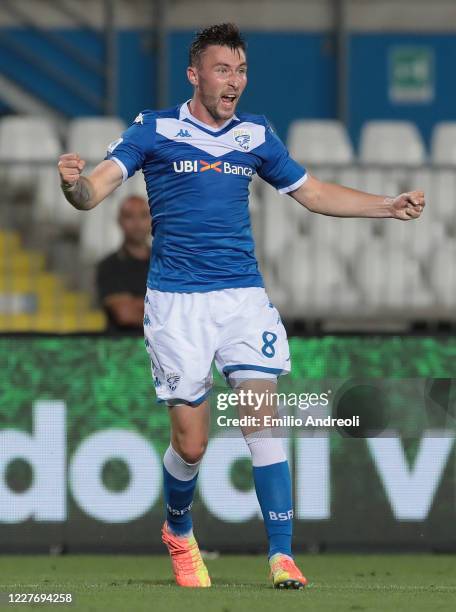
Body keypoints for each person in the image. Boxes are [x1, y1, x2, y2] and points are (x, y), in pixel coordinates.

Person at [57, 23, 425, 590]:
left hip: (242, 298)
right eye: (223, 70)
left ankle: (282, 554)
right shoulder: (154, 128)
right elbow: (96, 189)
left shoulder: (255, 134)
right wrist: (75, 186)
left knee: (262, 419)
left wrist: (387, 205)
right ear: (195, 74)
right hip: (177, 305)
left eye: (242, 70)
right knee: (192, 443)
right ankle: (179, 530)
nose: (234, 82)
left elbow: (315, 193)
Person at [96, 194, 150, 333]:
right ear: (120, 221)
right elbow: (125, 314)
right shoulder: (109, 266)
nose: (137, 223)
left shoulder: (165, 263)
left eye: (143, 215)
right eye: (129, 216)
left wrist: (138, 304)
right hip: (122, 351)